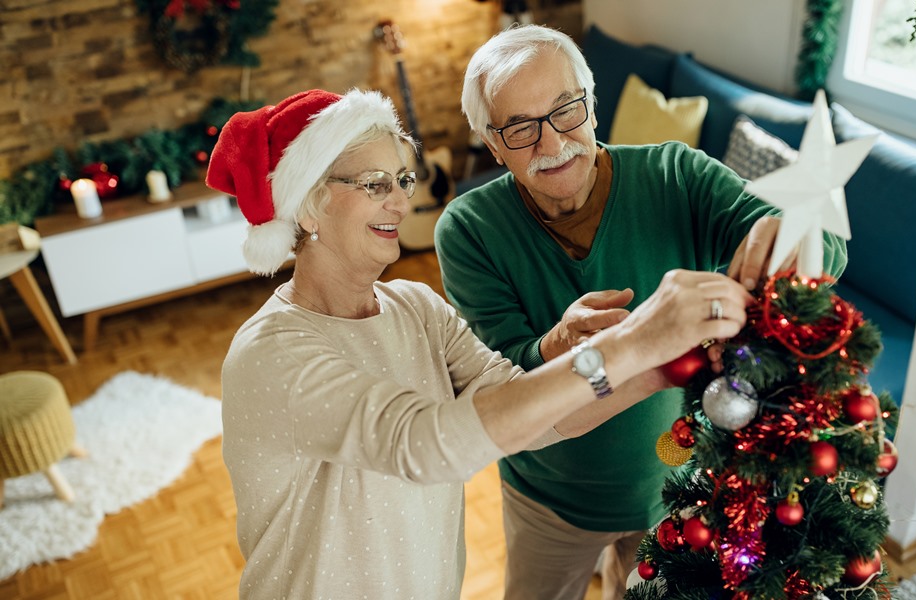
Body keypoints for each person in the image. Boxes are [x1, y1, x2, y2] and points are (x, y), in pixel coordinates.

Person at [205, 88, 755, 599]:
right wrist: (635, 340)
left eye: (403, 180)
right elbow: (424, 443)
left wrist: (661, 369)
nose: (398, 201)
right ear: (306, 204)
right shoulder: (271, 353)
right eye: (376, 184)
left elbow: (532, 411)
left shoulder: (416, 307)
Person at [434, 24, 848, 600]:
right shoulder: (467, 229)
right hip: (549, 500)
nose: (551, 144)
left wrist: (789, 237)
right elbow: (503, 386)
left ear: (592, 105)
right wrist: (553, 347)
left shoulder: (678, 175)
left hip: (674, 490)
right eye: (520, 129)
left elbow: (825, 253)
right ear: (492, 143)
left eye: (565, 111)